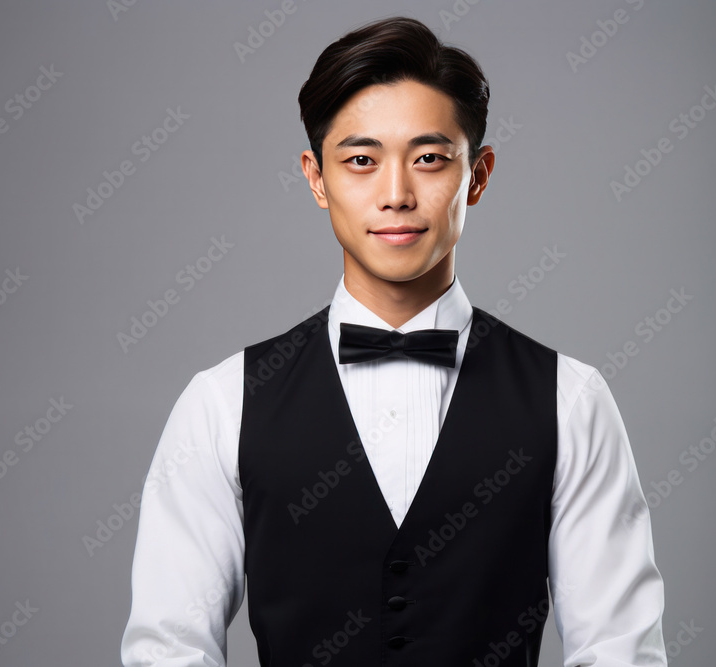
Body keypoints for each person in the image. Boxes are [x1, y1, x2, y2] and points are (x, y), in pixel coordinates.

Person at [121, 15, 667, 667]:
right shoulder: (221, 404)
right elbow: (169, 650)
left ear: (479, 174)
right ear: (317, 178)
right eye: (360, 160)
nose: (397, 194)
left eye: (430, 159)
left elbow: (619, 653)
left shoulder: (571, 402)